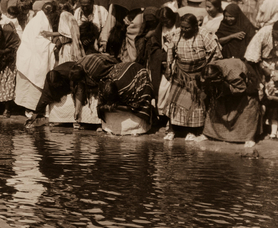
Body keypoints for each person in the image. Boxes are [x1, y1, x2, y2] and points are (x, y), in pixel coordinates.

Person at [163, 13, 222, 141]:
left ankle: (192, 131)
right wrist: (169, 67)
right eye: (182, 27)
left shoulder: (204, 35)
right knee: (175, 101)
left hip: (198, 73)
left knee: (194, 103)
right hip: (180, 72)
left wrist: (206, 70)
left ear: (195, 27)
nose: (184, 30)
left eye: (187, 28)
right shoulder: (176, 34)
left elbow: (216, 53)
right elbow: (170, 50)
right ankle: (172, 129)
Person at [199, 59, 262, 147]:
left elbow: (241, 88)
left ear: (219, 76)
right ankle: (209, 133)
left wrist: (225, 87)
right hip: (226, 79)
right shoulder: (207, 69)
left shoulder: (234, 73)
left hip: (246, 81)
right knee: (215, 102)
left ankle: (249, 138)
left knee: (248, 105)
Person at [97, 61, 155, 135]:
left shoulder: (126, 87)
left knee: (137, 119)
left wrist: (116, 107)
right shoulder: (103, 84)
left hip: (137, 74)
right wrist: (105, 106)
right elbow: (100, 105)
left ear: (117, 93)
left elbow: (136, 106)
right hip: (124, 79)